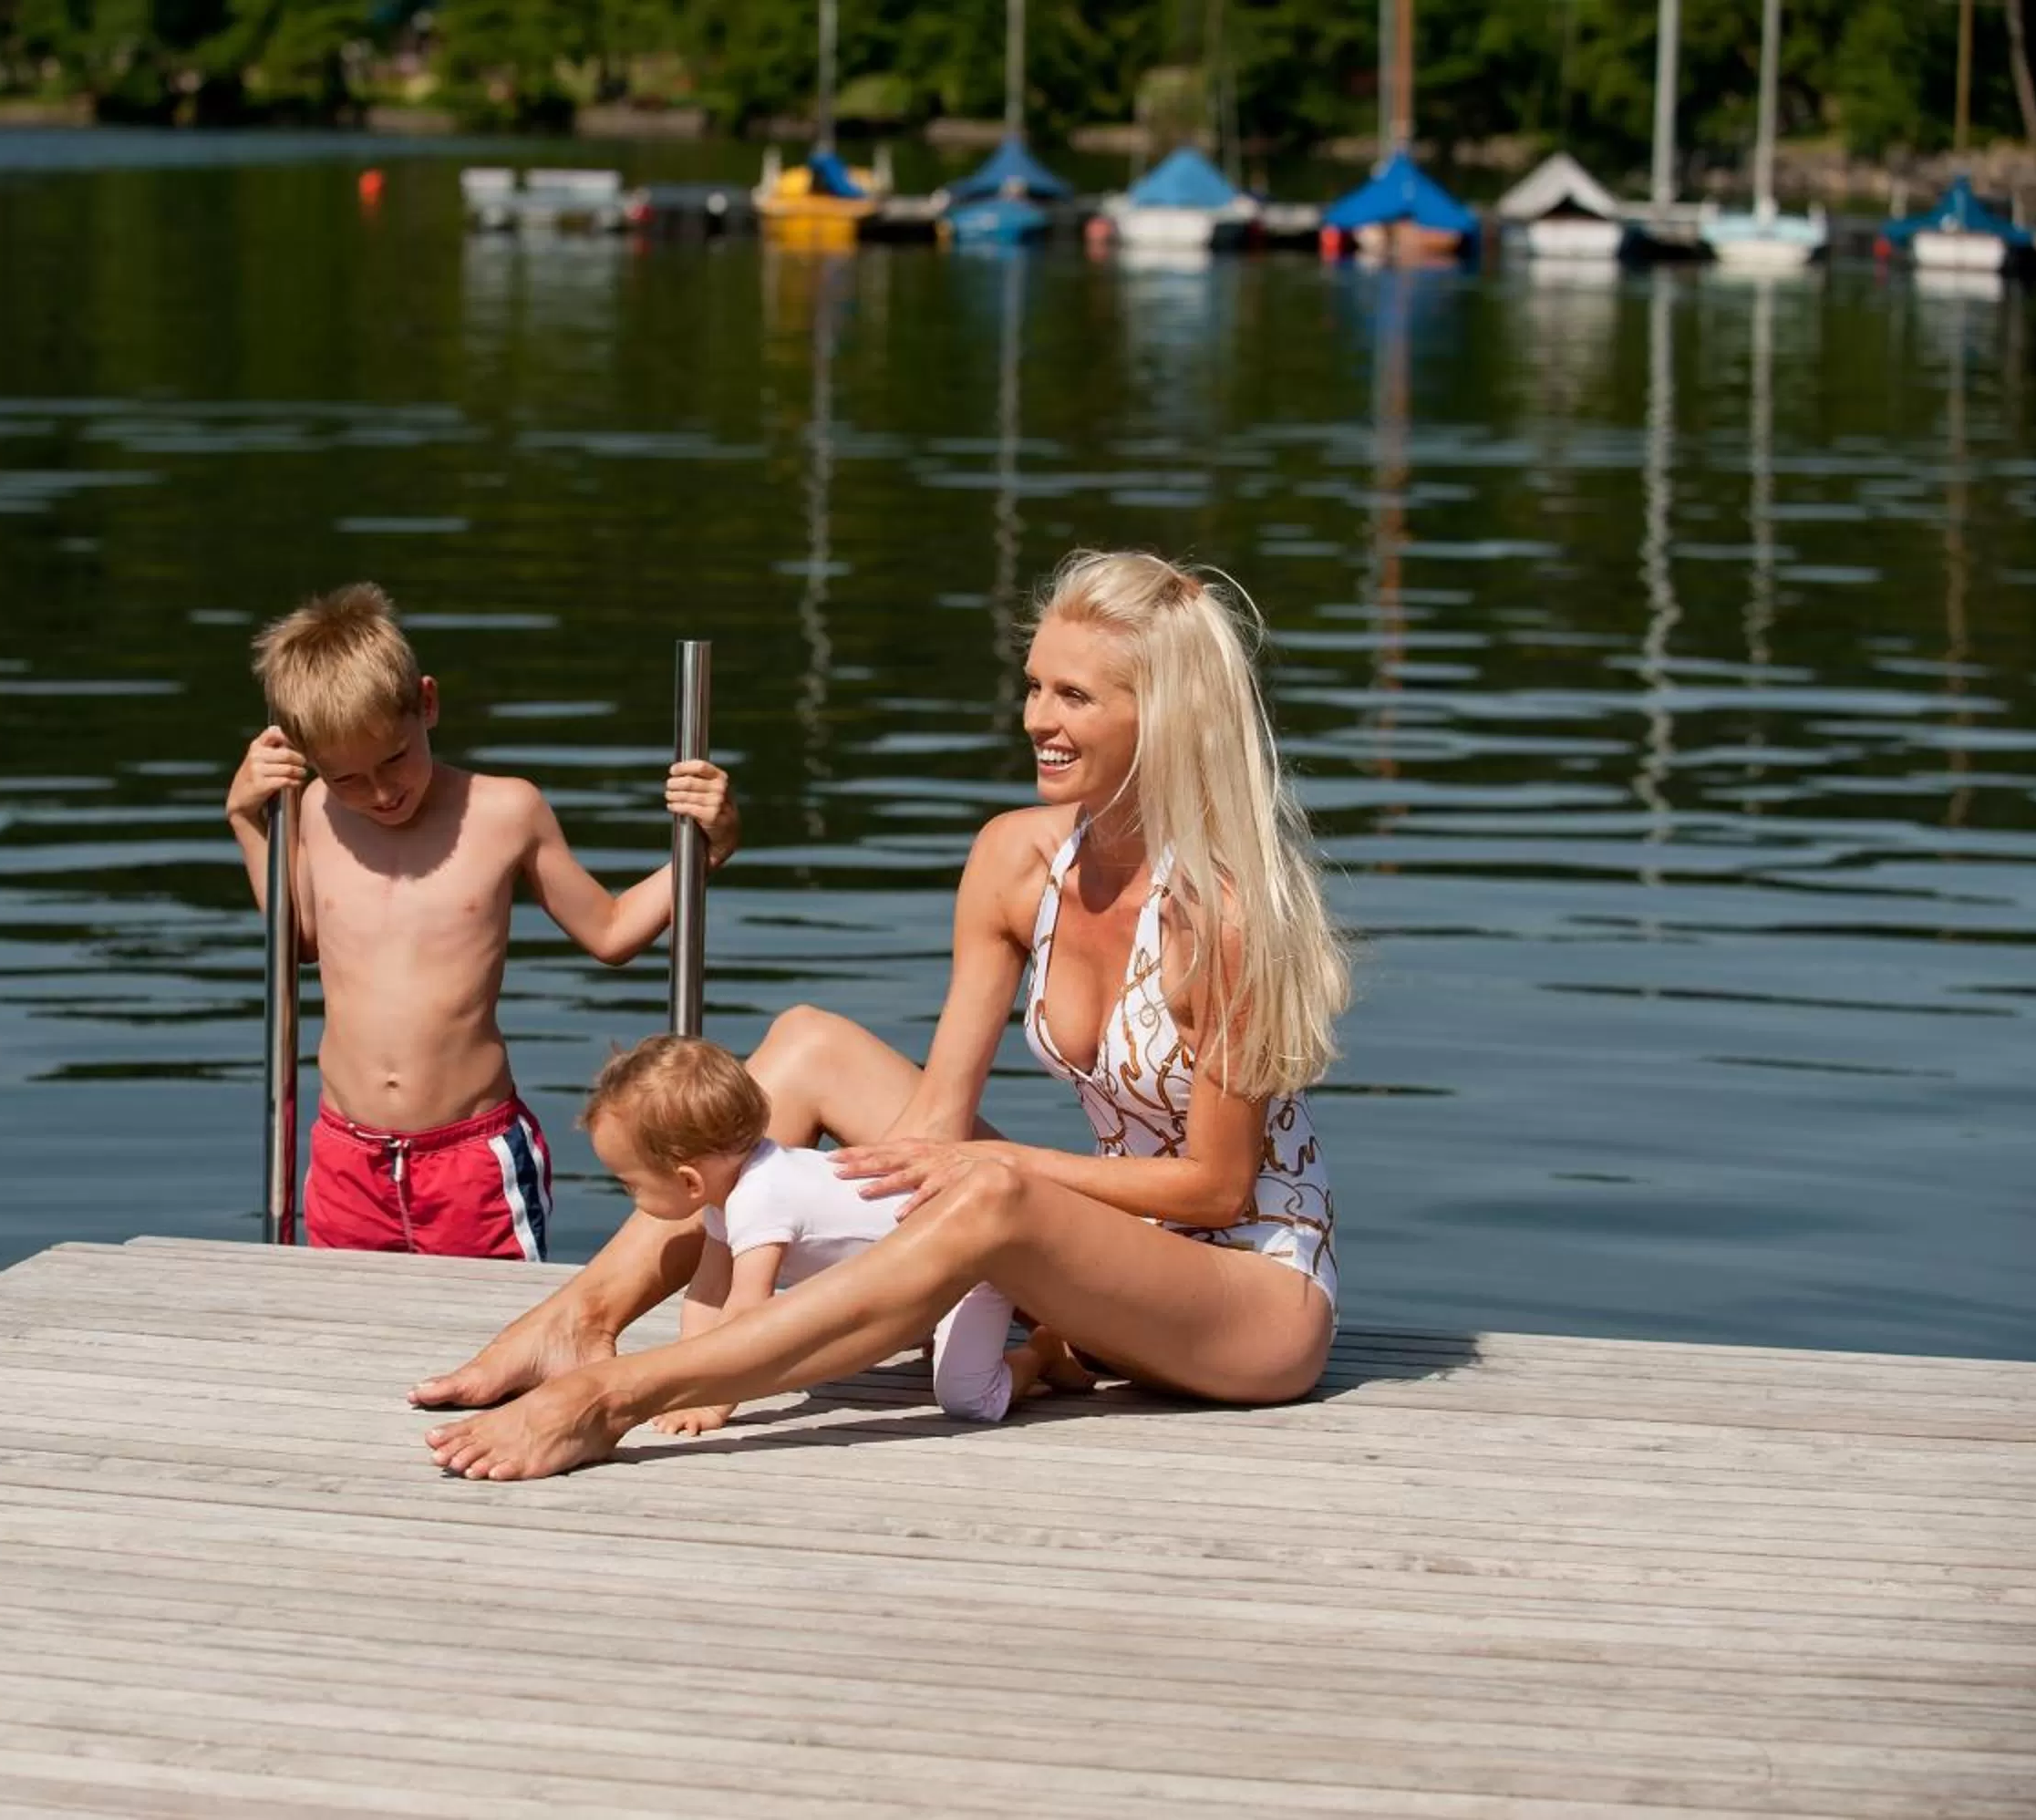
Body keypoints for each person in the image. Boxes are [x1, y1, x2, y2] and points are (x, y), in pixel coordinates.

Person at [416, 549, 1349, 1477]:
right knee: (808, 1045)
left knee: (994, 1193)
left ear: (1162, 716)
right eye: (1034, 688)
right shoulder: (1016, 861)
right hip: (1097, 1261)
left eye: (1075, 697)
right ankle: (580, 1322)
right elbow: (938, 1117)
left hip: (1247, 1294)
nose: (1037, 721)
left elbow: (1216, 1189)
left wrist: (990, 1175)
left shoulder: (1222, 915)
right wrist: (847, 1220)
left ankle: (616, 1394)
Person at [224, 583, 738, 1259]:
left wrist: (711, 848)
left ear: (427, 703)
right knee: (338, 1330)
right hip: (347, 1152)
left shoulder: (504, 812)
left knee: (492, 1335)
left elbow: (610, 933)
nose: (380, 793)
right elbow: (297, 944)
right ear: (309, 759)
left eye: (394, 759)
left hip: (470, 1155)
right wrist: (246, 820)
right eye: (348, 778)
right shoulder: (312, 812)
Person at [581, 1034, 1088, 1432]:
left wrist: (714, 1403)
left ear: (688, 1180)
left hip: (972, 1263)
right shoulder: (730, 1192)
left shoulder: (761, 1197)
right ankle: (950, 1334)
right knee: (935, 1346)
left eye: (630, 1184)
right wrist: (683, 1380)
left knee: (968, 1400)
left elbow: (746, 1311)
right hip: (918, 1272)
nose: (631, 1196)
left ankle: (1040, 1353)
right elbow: (709, 1293)